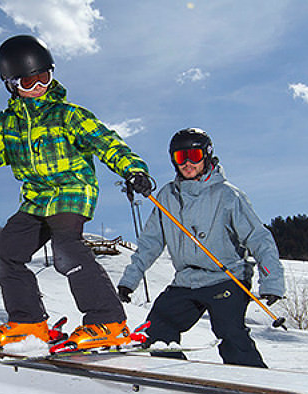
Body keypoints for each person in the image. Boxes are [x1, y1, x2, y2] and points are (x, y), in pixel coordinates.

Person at [0, 34, 153, 354]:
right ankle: (30, 322)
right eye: (28, 81)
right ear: (11, 84)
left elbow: (107, 142)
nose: (38, 86)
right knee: (5, 252)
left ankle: (108, 321)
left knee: (66, 248)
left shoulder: (68, 115)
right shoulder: (5, 125)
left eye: (44, 77)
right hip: (36, 198)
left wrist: (133, 170)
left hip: (72, 190)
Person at [117, 128, 284, 368]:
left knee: (229, 331)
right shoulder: (167, 196)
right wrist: (128, 281)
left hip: (226, 277)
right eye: (179, 157)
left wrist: (272, 281)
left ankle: (253, 382)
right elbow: (149, 244)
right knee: (157, 329)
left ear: (206, 155)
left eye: (193, 155)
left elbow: (259, 238)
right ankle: (181, 380)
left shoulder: (227, 195)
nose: (186, 163)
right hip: (186, 281)